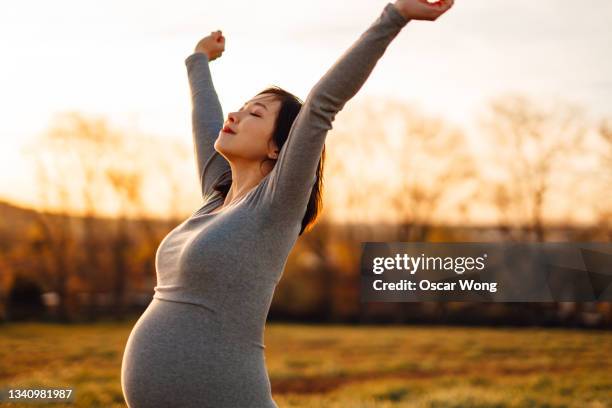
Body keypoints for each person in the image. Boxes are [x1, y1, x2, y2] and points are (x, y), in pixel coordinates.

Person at [120, 1, 454, 407]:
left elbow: (322, 104)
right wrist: (198, 60)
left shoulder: (275, 207)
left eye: (254, 114)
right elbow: (204, 121)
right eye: (241, 108)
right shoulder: (216, 198)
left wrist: (395, 14)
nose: (236, 115)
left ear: (278, 147)